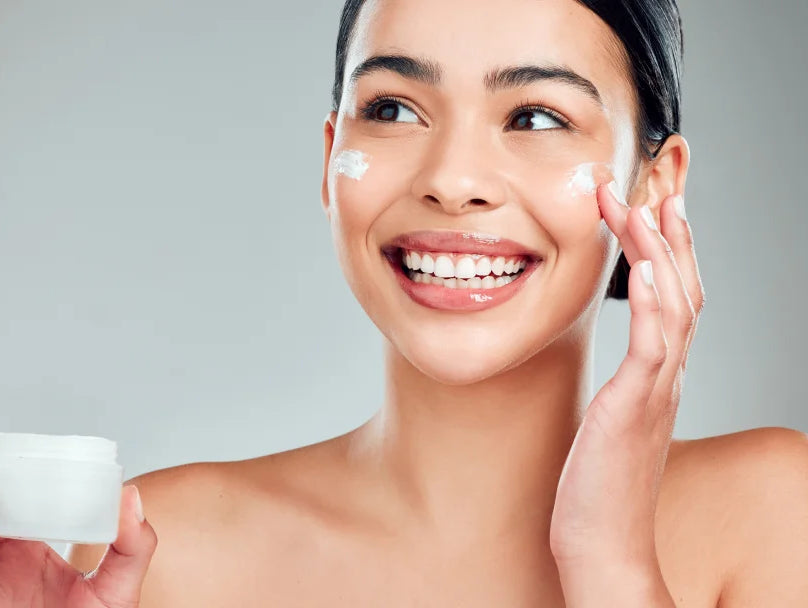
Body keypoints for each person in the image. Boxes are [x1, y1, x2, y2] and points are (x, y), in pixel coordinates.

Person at [2, 0, 807, 605]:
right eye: (391, 109)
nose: (451, 180)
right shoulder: (154, 553)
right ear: (329, 159)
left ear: (654, 185)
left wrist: (610, 561)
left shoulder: (771, 517)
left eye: (534, 116)